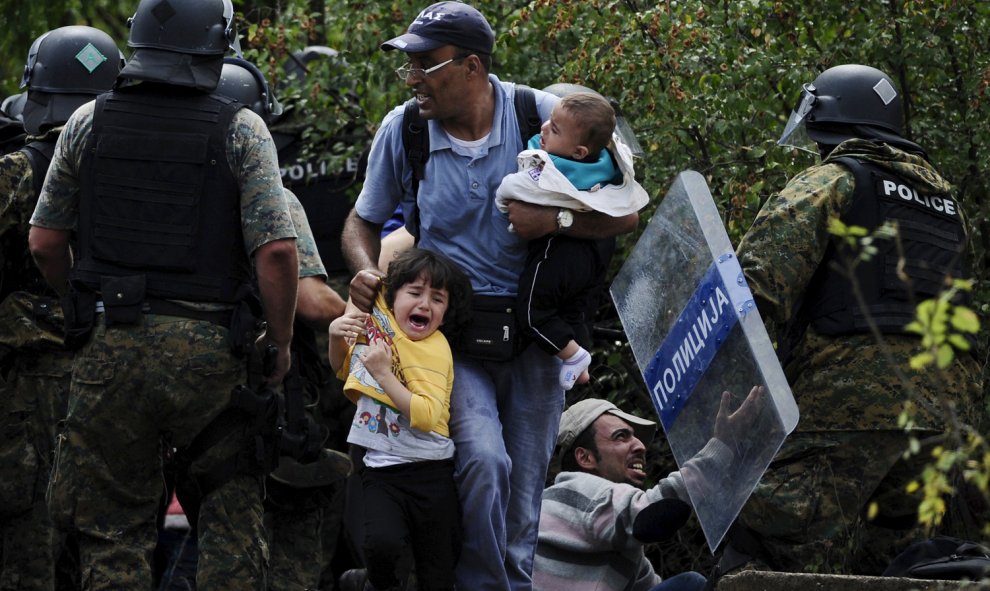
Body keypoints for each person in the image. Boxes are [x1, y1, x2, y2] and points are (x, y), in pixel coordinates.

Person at [341, 3, 638, 587]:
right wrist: (363, 268)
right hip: (451, 337)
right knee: (483, 459)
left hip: (534, 335)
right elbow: (362, 221)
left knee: (525, 492)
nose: (413, 79)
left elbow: (624, 216)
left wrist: (556, 224)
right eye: (410, 66)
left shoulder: (546, 114)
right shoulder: (403, 130)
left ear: (471, 66)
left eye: (425, 64)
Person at [26, 1, 299, 589]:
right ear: (215, 44)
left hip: (108, 351)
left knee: (112, 535)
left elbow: (46, 241)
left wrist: (77, 305)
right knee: (229, 527)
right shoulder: (242, 128)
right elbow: (277, 252)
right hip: (213, 359)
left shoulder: (86, 121)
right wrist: (280, 343)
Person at [732, 64, 986, 575]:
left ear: (829, 121)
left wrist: (723, 386)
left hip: (852, 405)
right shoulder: (947, 205)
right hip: (946, 417)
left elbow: (755, 282)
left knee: (774, 534)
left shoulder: (834, 179)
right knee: (901, 564)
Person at [0, 25, 123, 591]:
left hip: (28, 387)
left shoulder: (22, 170)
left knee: (31, 548)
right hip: (120, 369)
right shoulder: (141, 162)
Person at [329, 247, 472, 590]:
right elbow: (343, 369)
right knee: (381, 547)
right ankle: (367, 582)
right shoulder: (383, 331)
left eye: (438, 299)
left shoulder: (435, 349)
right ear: (393, 300)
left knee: (438, 573)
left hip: (431, 475)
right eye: (414, 293)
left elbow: (425, 415)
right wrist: (336, 335)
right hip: (381, 471)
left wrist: (383, 374)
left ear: (446, 312)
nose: (425, 304)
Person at [495, 91, 648, 390]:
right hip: (594, 255)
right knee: (573, 311)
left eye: (554, 129)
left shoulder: (554, 171)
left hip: (559, 252)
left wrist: (504, 202)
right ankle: (581, 366)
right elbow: (628, 212)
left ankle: (574, 356)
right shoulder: (605, 164)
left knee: (531, 312)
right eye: (548, 121)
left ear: (578, 151)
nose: (543, 129)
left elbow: (512, 192)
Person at [533, 393, 762, 591]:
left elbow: (652, 586)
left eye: (636, 438)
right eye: (620, 436)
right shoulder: (573, 490)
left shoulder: (611, 534)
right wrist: (722, 445)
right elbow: (652, 515)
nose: (641, 446)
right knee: (689, 585)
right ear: (585, 457)